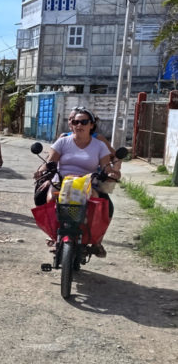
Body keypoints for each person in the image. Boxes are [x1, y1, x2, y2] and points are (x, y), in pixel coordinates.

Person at [46, 107, 121, 257]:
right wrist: (43, 170)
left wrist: (113, 173)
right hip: (62, 181)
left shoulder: (99, 145)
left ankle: (96, 241)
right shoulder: (62, 142)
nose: (79, 125)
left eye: (83, 122)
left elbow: (105, 167)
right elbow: (51, 162)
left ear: (91, 125)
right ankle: (53, 236)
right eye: (75, 122)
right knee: (49, 199)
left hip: (87, 183)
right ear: (71, 124)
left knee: (105, 207)